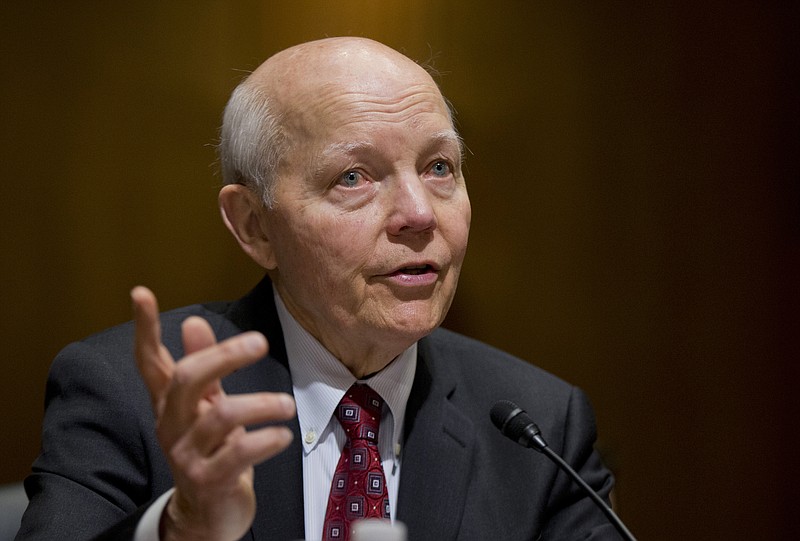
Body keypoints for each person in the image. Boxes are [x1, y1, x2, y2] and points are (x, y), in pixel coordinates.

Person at [16, 37, 620, 541]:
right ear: (255, 226)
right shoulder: (127, 394)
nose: (419, 214)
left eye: (439, 168)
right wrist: (182, 527)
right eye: (353, 178)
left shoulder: (538, 429)